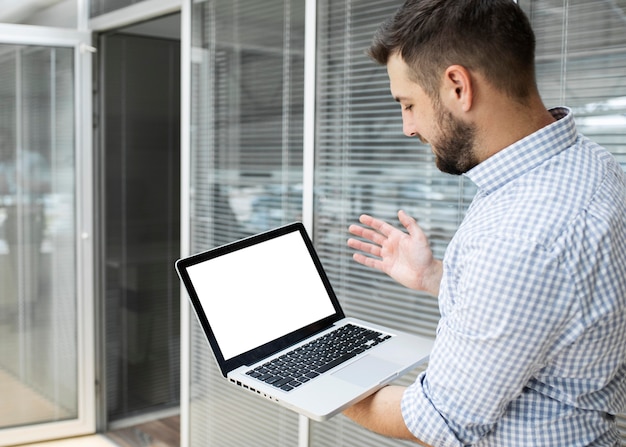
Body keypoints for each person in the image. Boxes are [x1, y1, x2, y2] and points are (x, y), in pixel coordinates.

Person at [343, 0, 626, 445]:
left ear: (458, 86)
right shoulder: (590, 164)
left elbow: (439, 420)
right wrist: (433, 276)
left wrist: (327, 385)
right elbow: (549, 306)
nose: (407, 126)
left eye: (409, 103)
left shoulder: (520, 233)